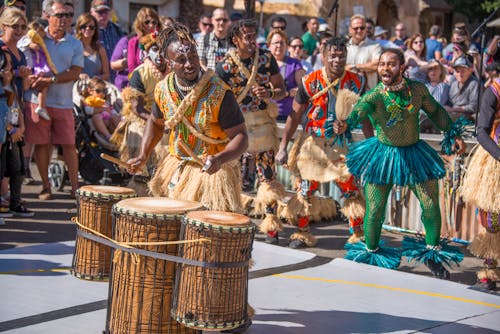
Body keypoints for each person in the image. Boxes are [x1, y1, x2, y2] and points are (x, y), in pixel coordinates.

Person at [334, 48, 467, 278]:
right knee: (375, 210)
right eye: (382, 64)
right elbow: (358, 112)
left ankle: (433, 254)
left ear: (402, 68)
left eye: (391, 64)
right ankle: (372, 252)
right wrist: (344, 123)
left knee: (430, 205)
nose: (385, 68)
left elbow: (436, 111)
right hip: (383, 156)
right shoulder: (375, 95)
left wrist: (452, 133)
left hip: (414, 154)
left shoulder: (417, 90)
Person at [128, 22, 248, 214]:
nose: (190, 64)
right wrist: (143, 154)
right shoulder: (163, 89)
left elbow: (241, 137)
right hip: (177, 169)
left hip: (213, 174)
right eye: (181, 59)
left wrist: (218, 159)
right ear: (169, 63)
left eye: (192, 57)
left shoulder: (219, 93)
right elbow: (156, 122)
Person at [276, 36, 366, 248]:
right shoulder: (309, 81)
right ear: (324, 57)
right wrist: (283, 147)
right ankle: (302, 233)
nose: (337, 60)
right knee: (304, 190)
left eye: (341, 55)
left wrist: (371, 147)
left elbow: (364, 116)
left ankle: (357, 235)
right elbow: (295, 115)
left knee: (351, 190)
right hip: (313, 145)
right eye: (332, 55)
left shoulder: (356, 82)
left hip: (341, 144)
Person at [216, 19, 286, 240]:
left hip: (262, 122)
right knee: (231, 174)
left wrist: (269, 94)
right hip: (235, 126)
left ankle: (271, 224)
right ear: (235, 39)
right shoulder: (224, 66)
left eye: (254, 35)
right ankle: (231, 219)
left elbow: (282, 90)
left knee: (267, 175)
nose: (252, 40)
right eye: (247, 36)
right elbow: (215, 100)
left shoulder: (266, 58)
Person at [24, 0, 83, 200]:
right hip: (37, 100)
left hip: (64, 102)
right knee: (42, 145)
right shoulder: (35, 38)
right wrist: (30, 78)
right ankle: (45, 187)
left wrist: (51, 80)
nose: (65, 19)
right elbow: (23, 61)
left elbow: (75, 72)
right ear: (47, 16)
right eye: (60, 15)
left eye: (69, 15)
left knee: (69, 145)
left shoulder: (75, 42)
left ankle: (75, 188)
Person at [111, 32, 168, 194]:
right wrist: (159, 122)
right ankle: (140, 184)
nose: (159, 53)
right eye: (155, 49)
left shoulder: (174, 73)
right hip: (142, 118)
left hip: (167, 119)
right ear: (146, 52)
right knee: (142, 133)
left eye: (162, 49)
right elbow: (137, 108)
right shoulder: (140, 73)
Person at [460, 75, 500, 290]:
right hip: (494, 160)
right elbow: (481, 132)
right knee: (493, 217)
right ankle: (490, 270)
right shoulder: (494, 91)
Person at [267, 29, 304, 122]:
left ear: (286, 46)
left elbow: (303, 88)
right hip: (266, 114)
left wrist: (288, 93)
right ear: (269, 45)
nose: (279, 46)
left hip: (288, 115)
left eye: (282, 43)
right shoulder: (263, 64)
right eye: (275, 43)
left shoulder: (295, 64)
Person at [23, 19, 54, 122]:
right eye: (41, 34)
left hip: (36, 69)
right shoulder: (27, 40)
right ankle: (41, 107)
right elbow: (26, 44)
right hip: (31, 70)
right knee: (43, 84)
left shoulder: (40, 44)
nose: (43, 37)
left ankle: (41, 106)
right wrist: (32, 45)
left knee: (44, 86)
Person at [90, 0, 124, 82]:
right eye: (100, 12)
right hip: (96, 82)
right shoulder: (87, 31)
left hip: (116, 81)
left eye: (106, 12)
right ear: (92, 12)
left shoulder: (118, 31)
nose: (103, 15)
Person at [346, 14, 382, 90]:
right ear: (350, 29)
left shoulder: (375, 46)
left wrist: (354, 66)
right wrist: (366, 67)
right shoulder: (345, 47)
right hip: (347, 94)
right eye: (356, 28)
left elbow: (376, 66)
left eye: (362, 28)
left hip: (368, 94)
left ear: (366, 29)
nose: (359, 31)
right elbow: (339, 69)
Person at [82, 77, 120, 141]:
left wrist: (118, 116)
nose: (101, 93)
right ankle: (108, 136)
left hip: (110, 122)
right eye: (98, 91)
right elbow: (87, 110)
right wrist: (102, 109)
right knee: (96, 117)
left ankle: (121, 132)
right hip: (98, 123)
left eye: (104, 91)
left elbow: (112, 110)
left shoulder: (105, 102)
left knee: (115, 116)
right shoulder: (89, 100)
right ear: (90, 91)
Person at [74, 13, 109, 81]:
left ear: (95, 29)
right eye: (84, 26)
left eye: (91, 27)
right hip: (76, 88)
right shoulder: (73, 48)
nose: (87, 29)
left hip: (95, 88)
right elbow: (67, 70)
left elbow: (106, 74)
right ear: (79, 28)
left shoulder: (100, 49)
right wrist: (79, 76)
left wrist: (97, 78)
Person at [127, 7, 161, 73]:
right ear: (140, 24)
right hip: (139, 79)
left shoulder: (161, 40)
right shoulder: (133, 42)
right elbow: (131, 67)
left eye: (154, 22)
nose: (151, 25)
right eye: (147, 22)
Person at [445, 55, 479, 122]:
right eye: (457, 71)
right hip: (453, 113)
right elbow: (449, 103)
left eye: (463, 71)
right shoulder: (453, 83)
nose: (460, 74)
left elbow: (473, 107)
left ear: (470, 70)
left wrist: (453, 109)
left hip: (468, 116)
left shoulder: (474, 84)